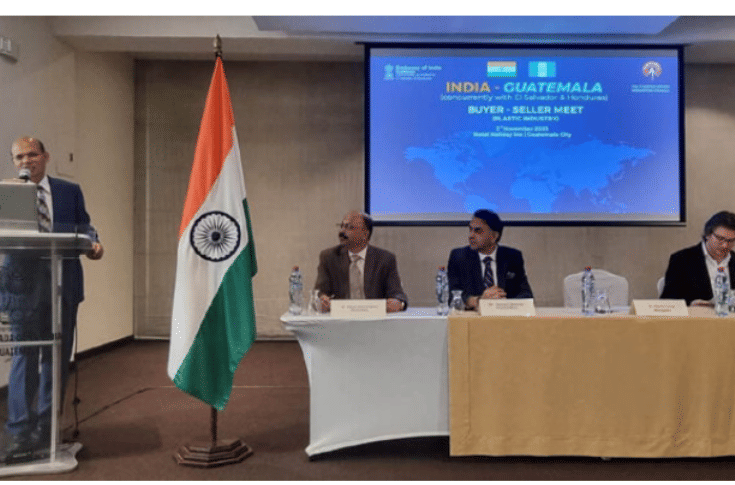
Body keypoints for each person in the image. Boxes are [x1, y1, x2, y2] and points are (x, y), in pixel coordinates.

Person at [2, 137, 103, 456]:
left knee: (56, 358)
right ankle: (20, 430)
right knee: (25, 355)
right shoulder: (9, 193)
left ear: (45, 156)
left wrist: (94, 243)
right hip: (23, 287)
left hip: (63, 283)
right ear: (14, 162)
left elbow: (84, 226)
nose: (26, 161)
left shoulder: (68, 191)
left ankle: (47, 428)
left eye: (32, 154)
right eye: (19, 157)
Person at [314, 211, 407, 313]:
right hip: (341, 318)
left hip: (375, 319)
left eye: (349, 227)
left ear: (365, 234)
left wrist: (398, 303)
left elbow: (397, 293)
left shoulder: (385, 259)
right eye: (342, 226)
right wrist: (322, 299)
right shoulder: (329, 257)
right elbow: (319, 292)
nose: (342, 231)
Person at [447, 209, 533, 310]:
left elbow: (526, 295)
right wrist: (479, 301)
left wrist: (503, 303)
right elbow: (452, 296)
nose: (471, 236)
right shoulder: (459, 257)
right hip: (474, 316)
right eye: (470, 230)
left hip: (505, 315)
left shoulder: (512, 257)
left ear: (494, 236)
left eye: (478, 231)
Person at [661, 211, 735, 305]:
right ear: (708, 234)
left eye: (730, 241)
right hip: (696, 313)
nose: (725, 245)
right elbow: (668, 300)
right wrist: (692, 303)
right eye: (720, 239)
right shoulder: (682, 259)